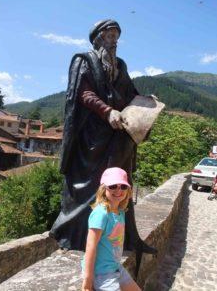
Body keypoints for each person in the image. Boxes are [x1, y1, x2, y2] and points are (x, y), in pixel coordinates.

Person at [50, 19, 157, 268]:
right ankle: (76, 237)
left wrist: (144, 101)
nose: (114, 40)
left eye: (116, 36)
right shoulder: (84, 60)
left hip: (118, 137)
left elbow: (129, 93)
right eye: (109, 35)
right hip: (91, 138)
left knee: (118, 185)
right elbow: (83, 93)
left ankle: (122, 238)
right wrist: (107, 111)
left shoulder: (120, 65)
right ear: (98, 38)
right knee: (90, 187)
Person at [82, 167, 141, 291]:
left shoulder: (120, 212)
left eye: (123, 187)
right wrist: (88, 280)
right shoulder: (101, 213)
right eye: (113, 186)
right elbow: (90, 247)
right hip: (102, 273)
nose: (118, 190)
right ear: (104, 189)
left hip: (115, 267)